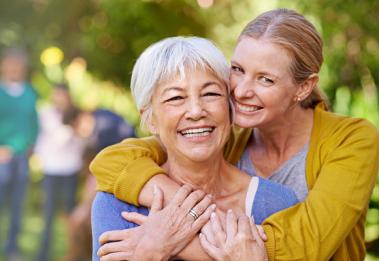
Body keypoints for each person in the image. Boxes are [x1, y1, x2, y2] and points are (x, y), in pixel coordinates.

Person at [91, 8, 379, 260]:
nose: (240, 91)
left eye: (265, 78)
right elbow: (112, 162)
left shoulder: (351, 140)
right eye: (238, 70)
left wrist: (167, 242)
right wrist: (184, 207)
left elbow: (304, 247)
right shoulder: (224, 138)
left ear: (304, 87)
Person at [91, 36, 300, 260]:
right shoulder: (116, 205)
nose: (196, 110)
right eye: (176, 98)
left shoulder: (277, 203)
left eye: (210, 94)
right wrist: (149, 254)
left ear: (230, 108)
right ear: (150, 119)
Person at [66, 107, 135, 261]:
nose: (79, 134)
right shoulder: (99, 119)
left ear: (81, 118)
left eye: (77, 129)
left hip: (128, 177)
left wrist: (84, 208)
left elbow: (99, 176)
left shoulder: (104, 131)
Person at [34, 83, 86, 261]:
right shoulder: (46, 114)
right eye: (56, 95)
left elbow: (81, 141)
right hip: (51, 169)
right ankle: (43, 254)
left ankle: (74, 252)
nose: (59, 99)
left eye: (62, 95)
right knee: (48, 214)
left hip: (70, 170)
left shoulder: (76, 114)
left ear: (68, 97)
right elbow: (51, 138)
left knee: (71, 216)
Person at [0, 48, 39, 259]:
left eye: (18, 65)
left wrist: (31, 145)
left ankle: (12, 247)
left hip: (22, 158)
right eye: (11, 64)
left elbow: (34, 124)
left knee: (17, 205)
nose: (15, 69)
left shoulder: (29, 93)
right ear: (3, 66)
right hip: (2, 158)